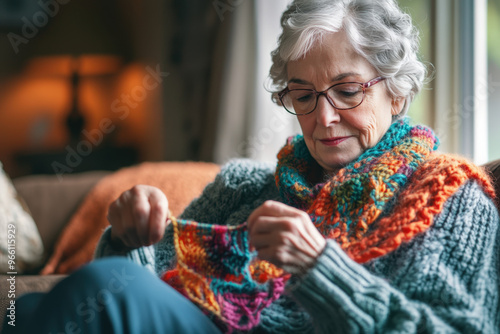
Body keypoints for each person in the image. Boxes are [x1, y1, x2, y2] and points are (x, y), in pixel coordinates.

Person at [5, 0, 499, 333]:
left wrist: (318, 267)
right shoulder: (244, 187)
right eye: (302, 96)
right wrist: (130, 243)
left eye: (347, 91)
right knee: (23, 310)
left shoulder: (451, 197)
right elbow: (156, 285)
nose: (323, 118)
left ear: (398, 91)